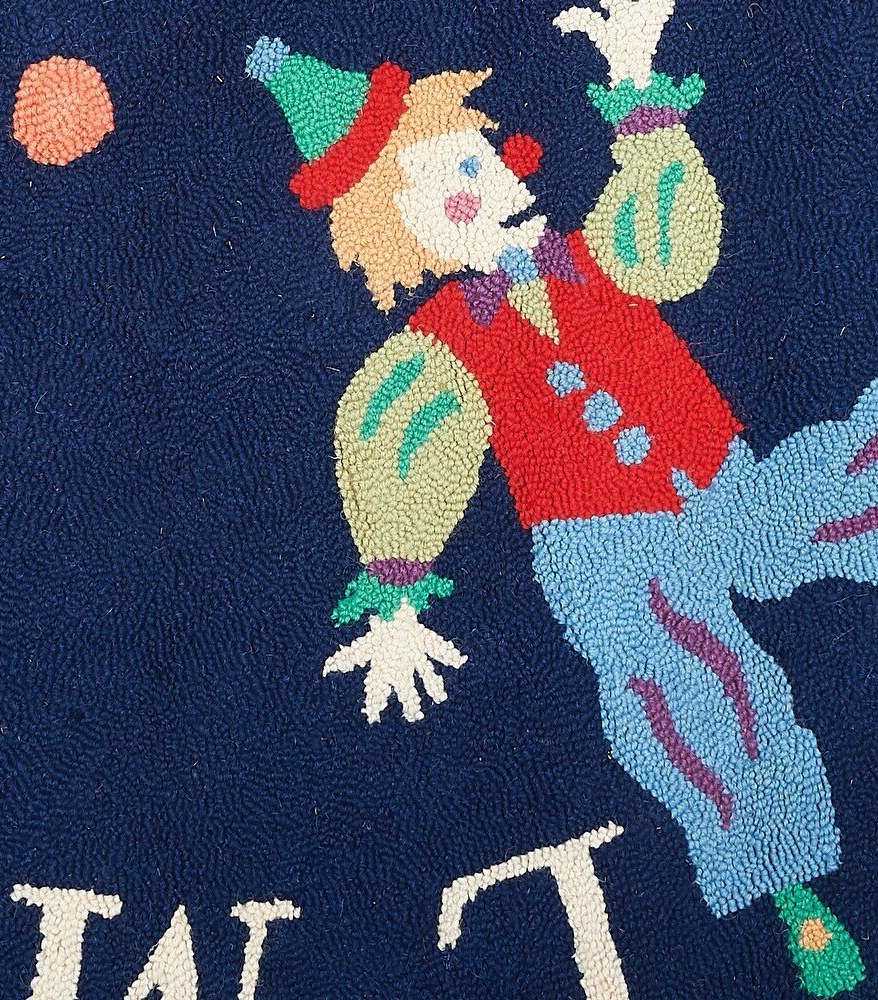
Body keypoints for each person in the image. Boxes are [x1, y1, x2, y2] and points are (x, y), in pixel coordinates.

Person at [246, 2, 874, 994]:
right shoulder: (443, 343)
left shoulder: (592, 254)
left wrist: (637, 86)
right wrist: (396, 592)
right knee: (688, 692)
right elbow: (400, 442)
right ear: (401, 233)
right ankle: (790, 891)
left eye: (467, 160)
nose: (467, 188)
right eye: (432, 190)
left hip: (719, 479)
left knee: (837, 490)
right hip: (605, 554)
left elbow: (670, 242)